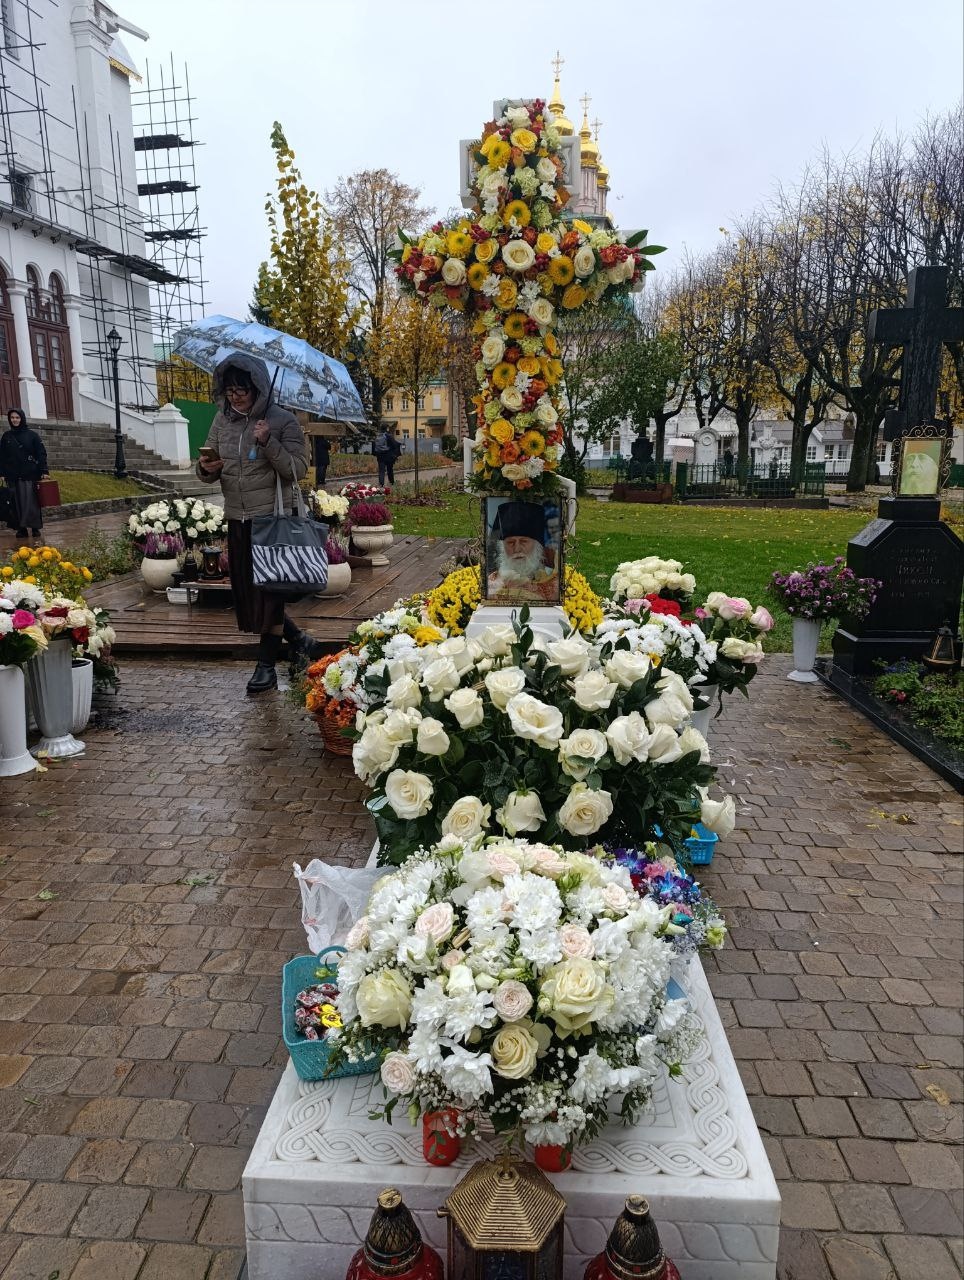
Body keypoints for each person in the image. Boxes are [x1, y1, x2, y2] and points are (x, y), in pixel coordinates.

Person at [196, 354, 324, 695]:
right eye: (230, 390)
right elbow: (210, 467)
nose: (235, 397)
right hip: (237, 518)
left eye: (242, 390)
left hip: (271, 519)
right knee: (251, 594)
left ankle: (265, 666)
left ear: (258, 388)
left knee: (270, 593)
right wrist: (206, 469)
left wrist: (269, 442)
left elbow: (297, 470)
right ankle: (300, 639)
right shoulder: (222, 420)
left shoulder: (282, 420)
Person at [486, 500, 559, 604]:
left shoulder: (553, 580)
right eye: (510, 542)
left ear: (537, 545)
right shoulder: (490, 583)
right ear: (502, 548)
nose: (517, 549)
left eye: (524, 541)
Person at [0, 409, 48, 539]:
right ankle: (21, 529)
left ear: (22, 418)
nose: (15, 420)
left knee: (31, 503)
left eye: (17, 417)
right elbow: (2, 456)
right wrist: (1, 473)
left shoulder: (32, 436)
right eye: (12, 418)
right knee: (16, 503)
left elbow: (41, 454)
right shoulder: (6, 437)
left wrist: (44, 471)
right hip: (12, 475)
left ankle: (34, 527)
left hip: (29, 474)